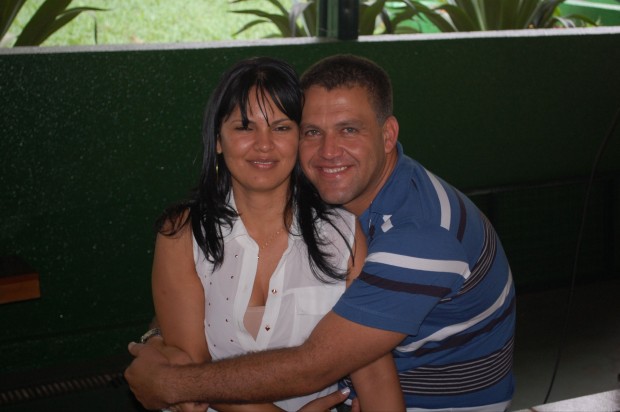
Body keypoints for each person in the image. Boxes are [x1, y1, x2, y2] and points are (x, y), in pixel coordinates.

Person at [126, 54, 516, 411]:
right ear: (218, 139)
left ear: (388, 135)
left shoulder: (411, 235)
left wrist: (170, 382)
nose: (329, 151)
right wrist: (161, 335)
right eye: (313, 131)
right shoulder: (189, 232)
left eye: (349, 129)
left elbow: (318, 367)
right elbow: (194, 317)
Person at [141, 56, 404, 412]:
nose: (263, 145)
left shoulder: (342, 234)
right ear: (218, 139)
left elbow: (373, 373)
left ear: (300, 138)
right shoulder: (182, 234)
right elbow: (194, 380)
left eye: (281, 128)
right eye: (244, 127)